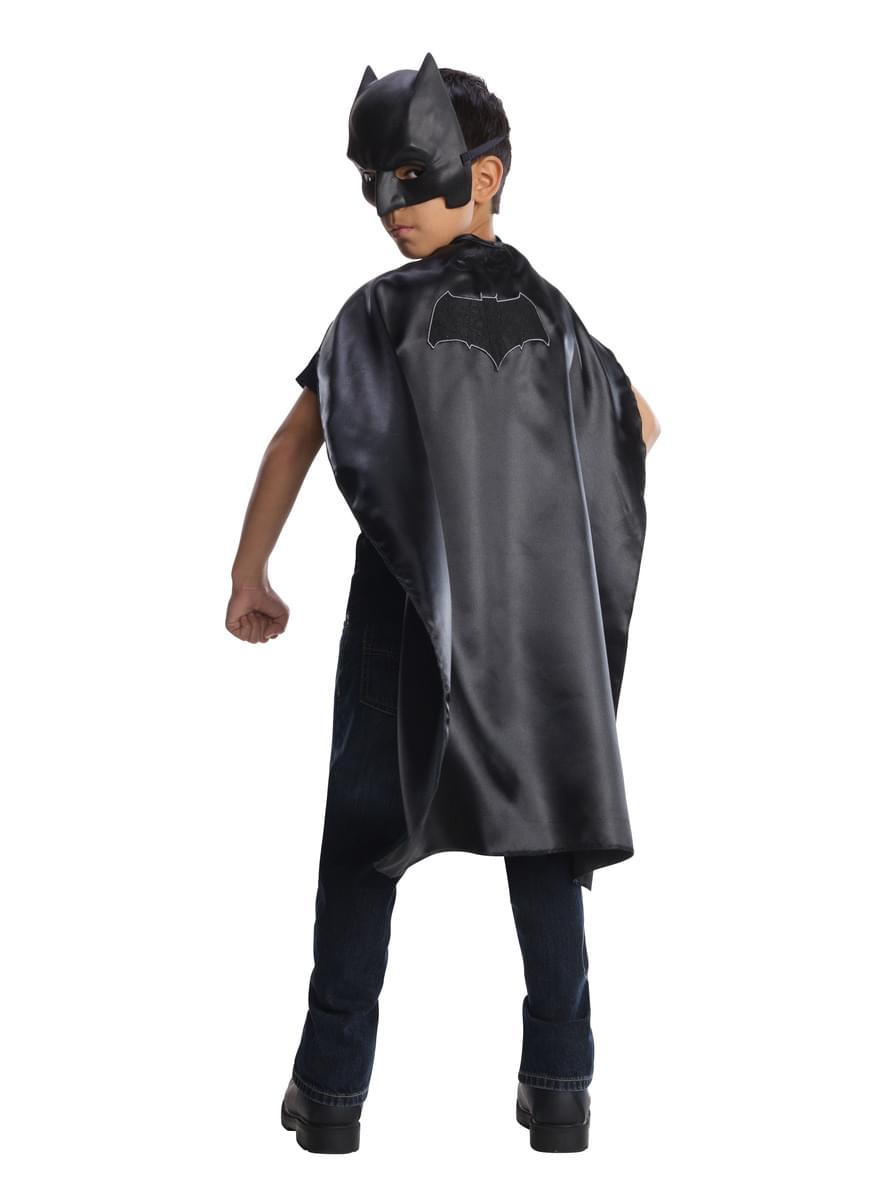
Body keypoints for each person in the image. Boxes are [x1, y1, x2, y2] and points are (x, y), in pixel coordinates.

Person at [226, 54, 660, 1155]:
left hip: (405, 611)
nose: (391, 208)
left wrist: (249, 573)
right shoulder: (553, 314)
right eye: (374, 186)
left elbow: (296, 437)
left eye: (411, 180)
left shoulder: (378, 312)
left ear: (486, 175)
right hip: (530, 626)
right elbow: (638, 426)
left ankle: (330, 1095)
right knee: (540, 831)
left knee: (367, 838)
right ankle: (558, 1088)